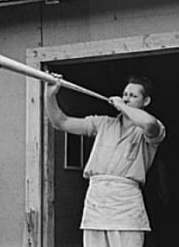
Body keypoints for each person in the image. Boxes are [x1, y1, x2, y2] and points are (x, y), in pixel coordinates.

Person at [45, 74, 166, 247]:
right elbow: (61, 122)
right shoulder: (103, 123)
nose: (126, 98)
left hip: (126, 202)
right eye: (125, 94)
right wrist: (50, 95)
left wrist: (122, 106)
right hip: (96, 200)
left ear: (146, 101)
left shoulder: (151, 128)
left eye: (133, 96)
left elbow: (149, 124)